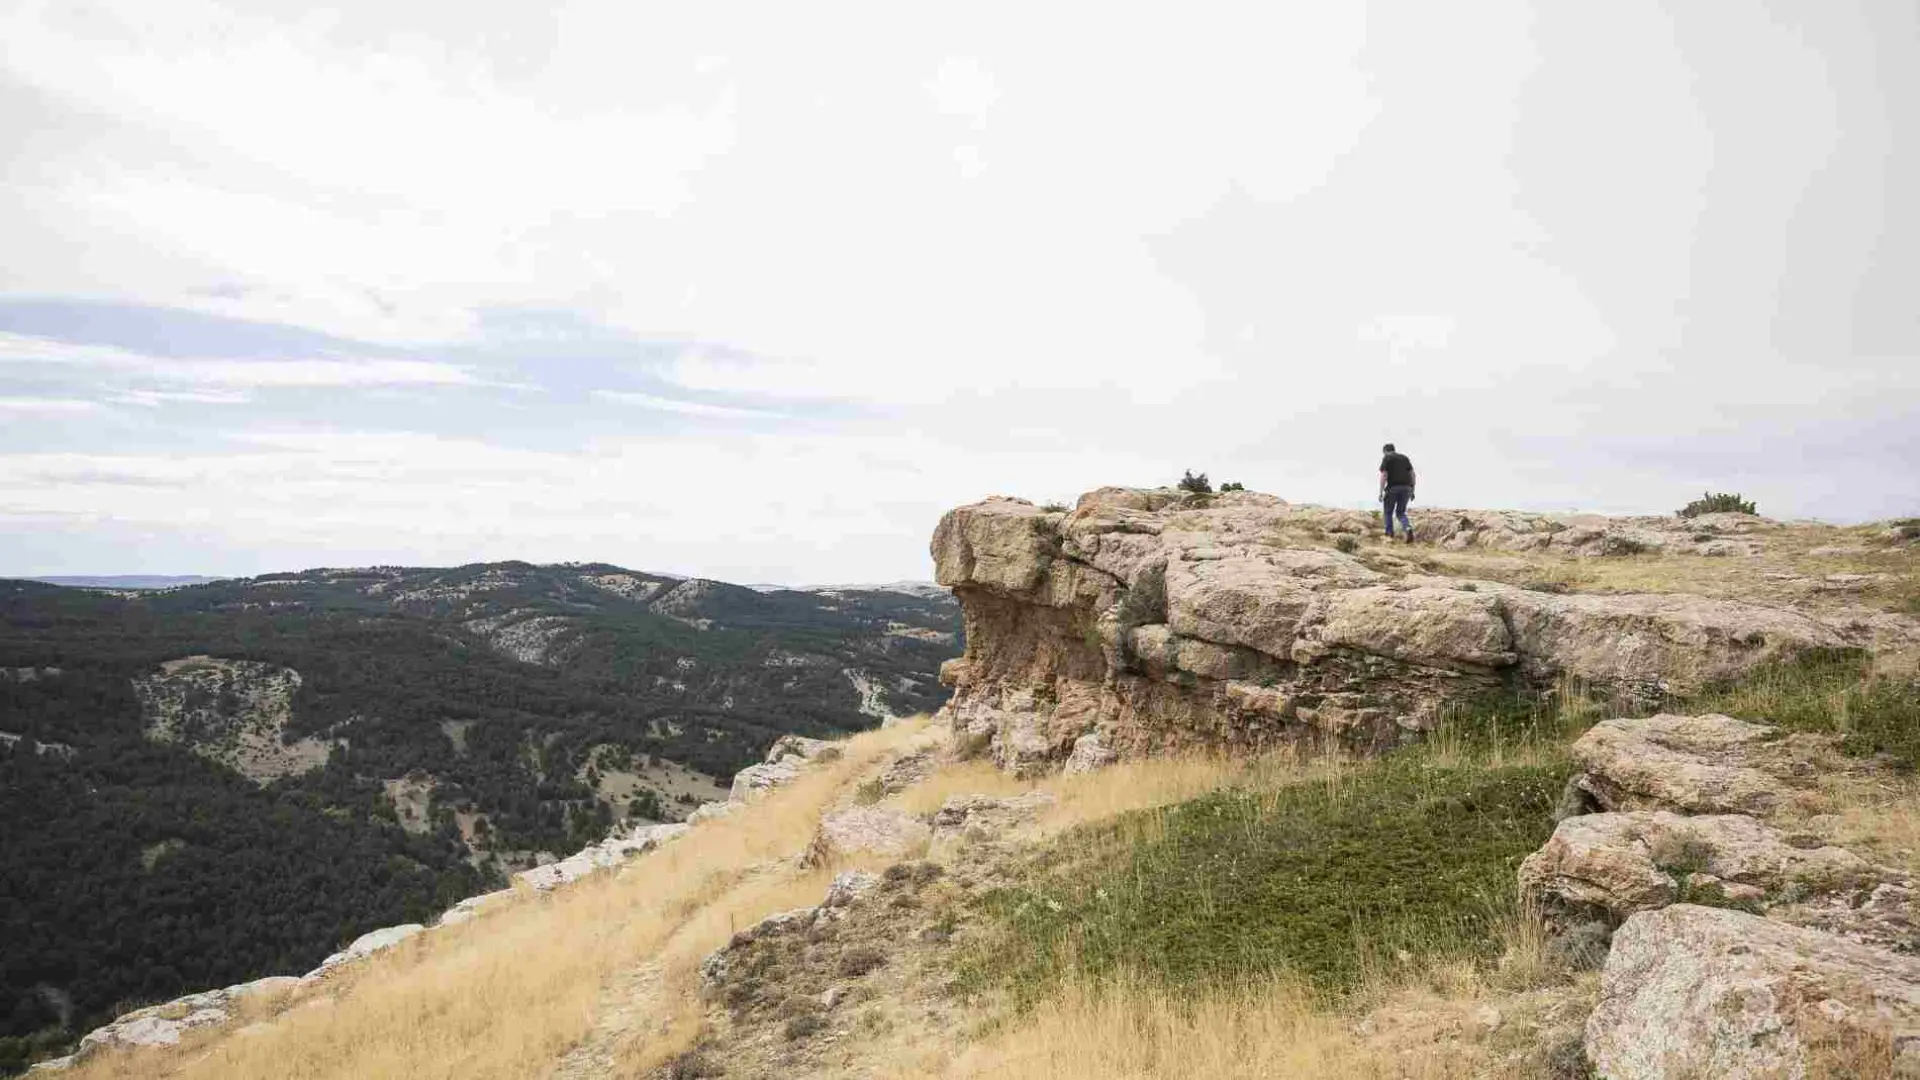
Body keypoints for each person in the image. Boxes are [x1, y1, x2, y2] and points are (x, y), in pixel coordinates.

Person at [1378, 443, 1416, 542]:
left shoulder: (1387, 458)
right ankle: (1407, 528)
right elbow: (1412, 474)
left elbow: (1384, 475)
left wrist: (1381, 492)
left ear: (1385, 451)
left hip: (1393, 488)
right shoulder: (1405, 458)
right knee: (1400, 512)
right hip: (1407, 488)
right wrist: (1412, 490)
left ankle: (1389, 534)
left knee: (1388, 511)